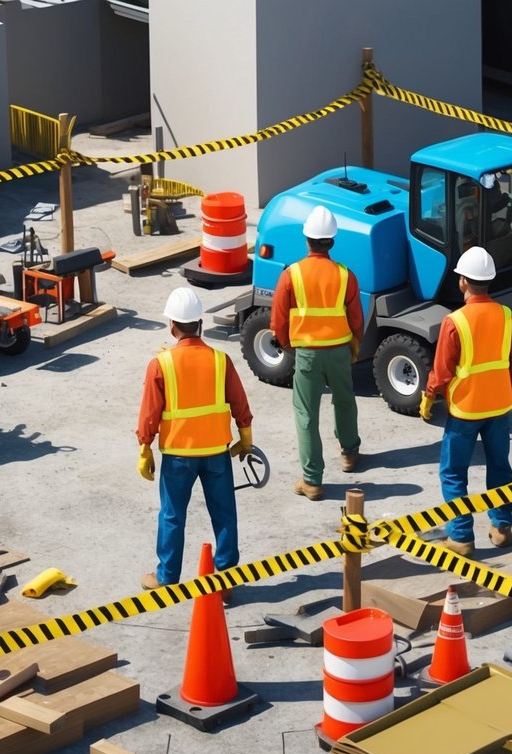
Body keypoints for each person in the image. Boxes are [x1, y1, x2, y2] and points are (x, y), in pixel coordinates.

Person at [137, 287, 253, 594]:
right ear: (199, 323)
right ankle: (225, 580)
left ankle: (166, 578)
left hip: (178, 454)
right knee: (224, 512)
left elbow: (150, 412)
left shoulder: (160, 364)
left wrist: (145, 448)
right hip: (216, 451)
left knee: (173, 515)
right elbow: (240, 403)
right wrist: (245, 437)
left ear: (172, 325)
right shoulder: (220, 360)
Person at [420, 247, 512, 555]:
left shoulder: (455, 322)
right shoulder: (507, 316)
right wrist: (503, 385)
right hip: (499, 407)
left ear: (463, 282)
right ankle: (502, 527)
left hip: (465, 409)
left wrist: (429, 397)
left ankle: (462, 536)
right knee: (499, 467)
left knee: (453, 472)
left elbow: (441, 371)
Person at [270, 205, 363, 501]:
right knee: (345, 401)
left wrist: (287, 345)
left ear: (306, 239)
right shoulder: (346, 275)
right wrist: (354, 345)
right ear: (332, 241)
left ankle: (312, 481)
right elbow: (356, 319)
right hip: (338, 350)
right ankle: (349, 454)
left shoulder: (291, 275)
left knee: (306, 415)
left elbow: (278, 320)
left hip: (307, 354)